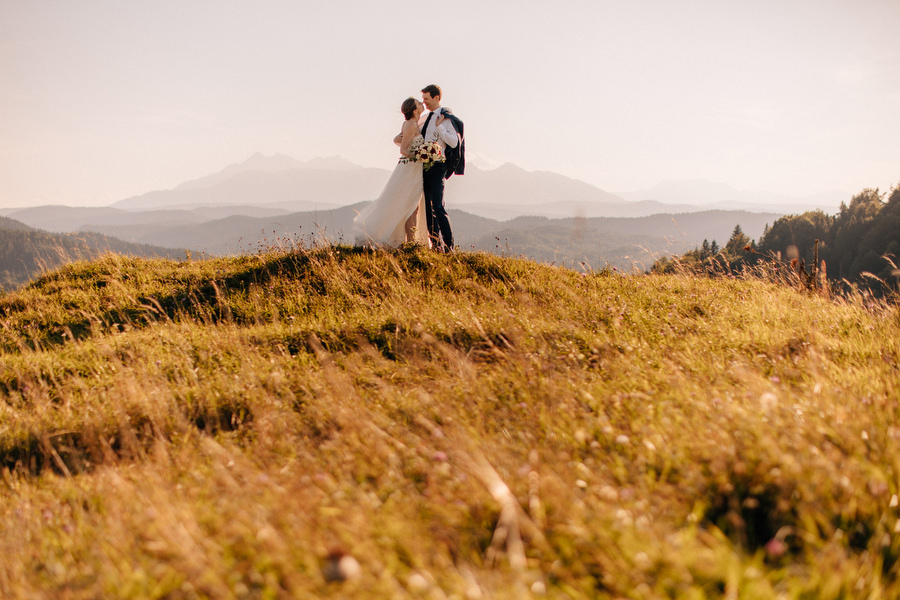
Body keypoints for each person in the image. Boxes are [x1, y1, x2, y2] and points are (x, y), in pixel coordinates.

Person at [353, 98, 430, 247]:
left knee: (412, 204)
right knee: (410, 204)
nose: (422, 103)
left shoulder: (412, 123)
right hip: (410, 169)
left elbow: (400, 140)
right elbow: (404, 149)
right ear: (414, 111)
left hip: (413, 169)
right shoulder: (411, 124)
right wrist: (421, 155)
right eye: (419, 103)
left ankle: (411, 240)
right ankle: (411, 241)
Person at [419, 84, 460, 251]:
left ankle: (449, 247)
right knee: (428, 209)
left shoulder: (446, 118)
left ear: (437, 98)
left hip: (438, 166)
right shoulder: (425, 119)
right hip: (424, 167)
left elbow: (454, 142)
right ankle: (435, 246)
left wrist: (440, 126)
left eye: (427, 99)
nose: (425, 103)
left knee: (438, 205)